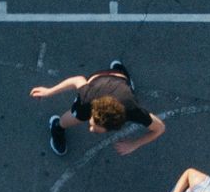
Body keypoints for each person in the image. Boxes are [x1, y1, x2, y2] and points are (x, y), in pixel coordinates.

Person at [29, 59, 166, 157]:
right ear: (94, 112)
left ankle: (119, 70)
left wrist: (135, 144)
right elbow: (77, 80)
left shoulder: (133, 110)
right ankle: (56, 126)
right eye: (93, 125)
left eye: (95, 128)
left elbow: (159, 128)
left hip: (120, 82)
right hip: (99, 80)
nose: (90, 128)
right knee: (73, 117)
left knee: (125, 83)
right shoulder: (88, 97)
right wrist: (49, 91)